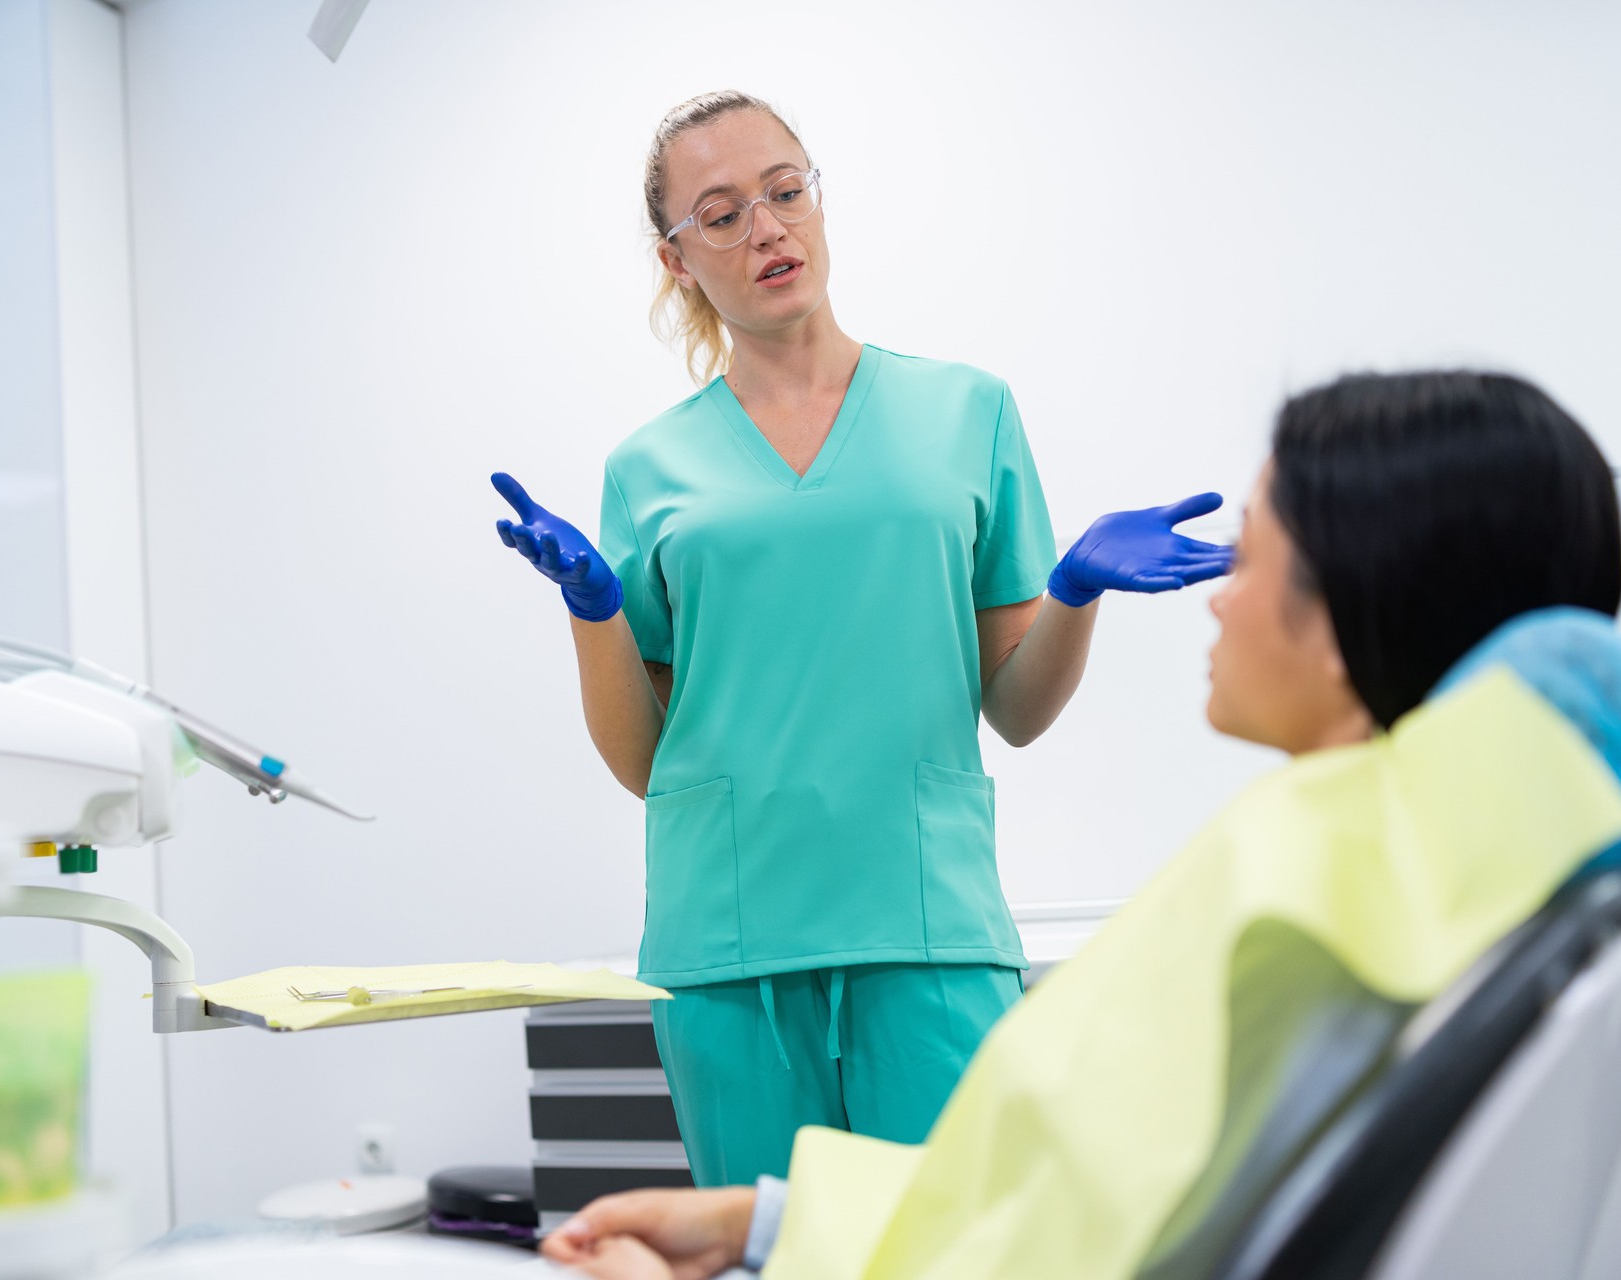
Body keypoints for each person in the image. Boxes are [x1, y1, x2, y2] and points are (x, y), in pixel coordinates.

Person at [538, 369, 1621, 1279]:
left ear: (1342, 611)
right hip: (741, 958)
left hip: (921, 947)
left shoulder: (1302, 877)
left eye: (1258, 545)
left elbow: (1057, 1230)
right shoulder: (1464, 868)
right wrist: (764, 1220)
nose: (1221, 590)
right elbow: (1067, 1189)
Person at [490, 90, 1231, 1186]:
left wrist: (1072, 589)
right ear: (677, 257)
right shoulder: (647, 471)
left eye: (786, 192)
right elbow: (647, 762)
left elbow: (1017, 713)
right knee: (764, 1259)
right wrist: (593, 613)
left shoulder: (966, 413)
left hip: (926, 931)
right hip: (730, 947)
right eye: (723, 213)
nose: (769, 230)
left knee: (953, 1254)